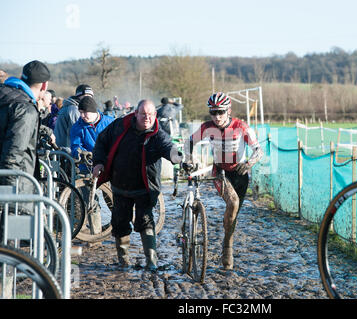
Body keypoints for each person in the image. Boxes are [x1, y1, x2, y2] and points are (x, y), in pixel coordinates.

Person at [92, 99, 182, 271]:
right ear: (136, 114)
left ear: (155, 115)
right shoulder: (120, 126)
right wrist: (98, 163)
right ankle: (123, 260)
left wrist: (176, 157)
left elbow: (169, 147)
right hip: (120, 186)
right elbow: (101, 142)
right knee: (119, 223)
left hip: (145, 188)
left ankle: (151, 261)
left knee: (146, 221)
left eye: (150, 114)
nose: (147, 118)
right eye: (143, 114)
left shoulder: (157, 134)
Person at [184, 92, 263, 270]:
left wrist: (250, 163)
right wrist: (189, 158)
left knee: (233, 214)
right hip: (220, 171)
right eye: (213, 112)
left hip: (240, 172)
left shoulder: (241, 126)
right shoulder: (207, 127)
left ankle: (227, 241)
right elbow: (189, 141)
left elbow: (258, 149)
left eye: (220, 112)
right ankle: (228, 250)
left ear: (229, 110)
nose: (217, 117)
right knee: (232, 202)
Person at [0, 60, 50, 195]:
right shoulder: (25, 109)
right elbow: (13, 156)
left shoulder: (5, 96)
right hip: (16, 189)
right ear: (44, 85)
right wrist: (11, 198)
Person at [70, 96, 114, 171]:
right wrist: (85, 154)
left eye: (85, 112)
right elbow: (75, 147)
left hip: (109, 168)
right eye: (80, 112)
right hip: (87, 168)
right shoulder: (77, 127)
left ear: (93, 111)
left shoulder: (111, 123)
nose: (82, 116)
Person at [54, 84, 94, 148]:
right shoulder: (74, 109)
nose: (88, 100)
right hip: (67, 151)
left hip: (64, 150)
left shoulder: (71, 107)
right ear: (79, 96)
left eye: (90, 96)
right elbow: (77, 133)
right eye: (86, 96)